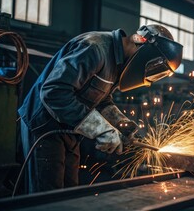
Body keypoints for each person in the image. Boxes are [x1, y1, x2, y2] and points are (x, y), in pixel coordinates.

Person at [18, 24, 183, 193]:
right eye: (155, 68)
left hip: (69, 129)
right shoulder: (94, 48)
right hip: (44, 125)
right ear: (142, 45)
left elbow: (101, 100)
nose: (151, 75)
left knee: (68, 192)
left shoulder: (118, 64)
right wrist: (100, 129)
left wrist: (121, 124)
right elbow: (54, 92)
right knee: (47, 194)